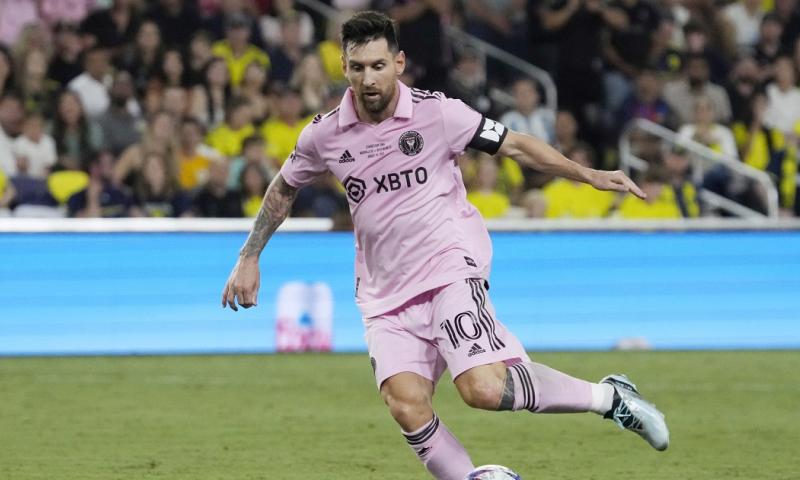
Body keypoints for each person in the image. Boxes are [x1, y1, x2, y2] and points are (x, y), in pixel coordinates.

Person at [220, 11, 669, 480]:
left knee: (483, 388)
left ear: (399, 62)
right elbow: (284, 187)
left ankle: (610, 397)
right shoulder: (324, 134)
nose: (368, 79)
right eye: (358, 68)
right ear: (344, 67)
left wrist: (589, 174)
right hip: (384, 292)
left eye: (378, 66)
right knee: (405, 403)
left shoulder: (439, 113)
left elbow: (515, 145)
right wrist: (249, 256)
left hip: (448, 267)